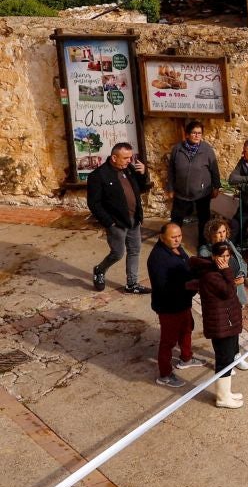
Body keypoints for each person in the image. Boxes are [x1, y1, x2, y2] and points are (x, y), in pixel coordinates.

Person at [145, 223, 205, 388]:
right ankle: (164, 374)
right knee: (168, 341)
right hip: (169, 307)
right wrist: (189, 286)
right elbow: (164, 287)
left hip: (183, 303)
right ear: (162, 237)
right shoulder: (158, 259)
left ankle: (186, 358)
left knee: (187, 329)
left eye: (179, 236)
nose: (177, 239)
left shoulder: (177, 249)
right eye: (173, 237)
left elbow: (187, 266)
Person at [86, 142, 150, 294]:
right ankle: (100, 270)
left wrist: (142, 174)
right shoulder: (98, 176)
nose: (130, 161)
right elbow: (94, 204)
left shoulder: (129, 170)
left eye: (131, 157)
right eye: (126, 158)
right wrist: (109, 222)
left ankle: (132, 284)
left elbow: (140, 189)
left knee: (135, 250)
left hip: (134, 219)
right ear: (114, 157)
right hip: (117, 223)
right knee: (118, 253)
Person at [188, 246, 245, 409]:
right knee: (224, 361)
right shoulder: (211, 275)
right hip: (220, 325)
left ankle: (226, 393)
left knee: (227, 360)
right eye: (222, 256)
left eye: (227, 256)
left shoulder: (218, 271)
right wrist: (228, 272)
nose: (225, 259)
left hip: (227, 322)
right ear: (213, 256)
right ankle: (222, 397)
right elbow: (228, 291)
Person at [198, 216, 248, 370]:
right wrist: (231, 281)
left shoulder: (229, 245)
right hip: (220, 299)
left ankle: (236, 356)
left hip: (235, 294)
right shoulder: (206, 252)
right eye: (217, 233)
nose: (221, 236)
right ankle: (224, 363)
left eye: (223, 232)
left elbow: (241, 262)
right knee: (222, 332)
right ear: (210, 235)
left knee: (234, 327)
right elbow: (213, 277)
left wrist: (241, 275)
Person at [166, 120, 221, 237]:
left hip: (202, 193)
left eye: (199, 133)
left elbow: (214, 170)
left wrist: (216, 187)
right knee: (176, 220)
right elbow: (171, 170)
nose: (197, 136)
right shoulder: (177, 149)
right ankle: (171, 243)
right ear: (187, 134)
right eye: (194, 133)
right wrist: (170, 188)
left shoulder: (207, 150)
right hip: (181, 193)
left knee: (204, 220)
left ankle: (203, 244)